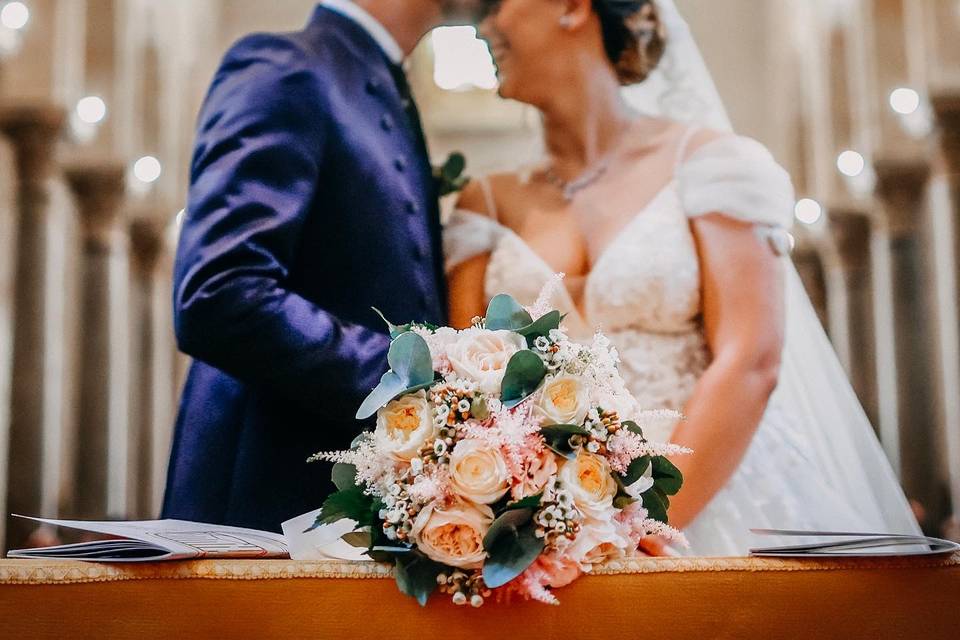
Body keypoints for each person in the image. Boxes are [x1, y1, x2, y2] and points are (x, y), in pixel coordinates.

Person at [445, 0, 920, 555]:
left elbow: (750, 359)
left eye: (497, 5)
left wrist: (640, 526)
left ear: (573, 7)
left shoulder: (711, 166)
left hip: (713, 499)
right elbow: (469, 389)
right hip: (547, 519)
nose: (485, 26)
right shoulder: (486, 205)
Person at [163, 0, 487, 532]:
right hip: (262, 519)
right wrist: (420, 383)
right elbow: (221, 292)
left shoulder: (380, 83)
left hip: (345, 518)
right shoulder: (287, 68)